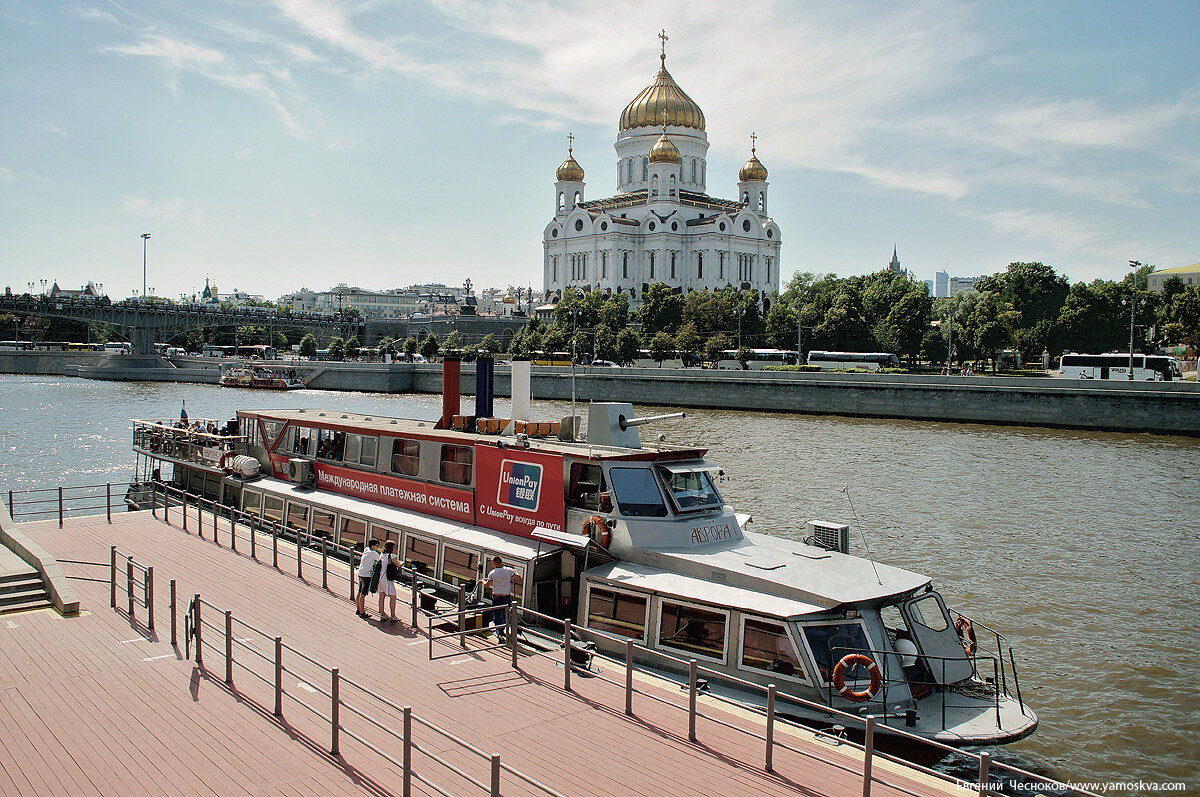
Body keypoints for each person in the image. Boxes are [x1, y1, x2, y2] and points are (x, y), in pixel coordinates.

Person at [483, 556, 521, 641]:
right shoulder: (509, 571)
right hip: (505, 596)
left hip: (496, 596)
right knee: (505, 614)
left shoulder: (492, 573)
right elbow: (519, 578)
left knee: (497, 614)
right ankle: (501, 630)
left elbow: (487, 585)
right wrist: (515, 572)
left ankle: (498, 632)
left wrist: (482, 582)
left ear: (495, 563)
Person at [355, 539, 382, 619]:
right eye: (377, 546)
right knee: (363, 594)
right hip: (366, 575)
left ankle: (358, 609)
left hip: (360, 573)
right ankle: (362, 612)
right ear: (373, 546)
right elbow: (381, 560)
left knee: (359, 592)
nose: (377, 547)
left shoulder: (366, 549)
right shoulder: (373, 553)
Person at [378, 540, 401, 623]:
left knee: (381, 595)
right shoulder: (391, 555)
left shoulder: (382, 554)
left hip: (381, 577)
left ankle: (382, 614)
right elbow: (397, 564)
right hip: (388, 578)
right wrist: (401, 563)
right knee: (393, 596)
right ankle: (393, 615)